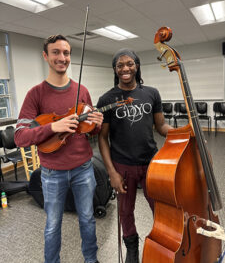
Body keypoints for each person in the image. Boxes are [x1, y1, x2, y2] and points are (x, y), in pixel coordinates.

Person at [14, 34, 103, 263]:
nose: (61, 57)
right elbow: (20, 137)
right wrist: (54, 126)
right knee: (53, 225)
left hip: (84, 168)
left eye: (66, 53)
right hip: (52, 173)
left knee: (87, 219)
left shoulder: (82, 90)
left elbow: (88, 131)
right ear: (46, 56)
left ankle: (91, 260)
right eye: (56, 52)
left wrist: (96, 125)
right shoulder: (35, 94)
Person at [97, 49, 172, 263]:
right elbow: (102, 138)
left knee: (160, 207)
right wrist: (111, 172)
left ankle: (162, 241)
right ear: (115, 70)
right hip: (122, 165)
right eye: (120, 65)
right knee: (125, 211)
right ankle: (131, 246)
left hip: (151, 163)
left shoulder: (151, 93)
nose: (125, 68)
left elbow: (161, 126)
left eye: (129, 64)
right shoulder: (107, 99)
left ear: (137, 66)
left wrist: (182, 132)